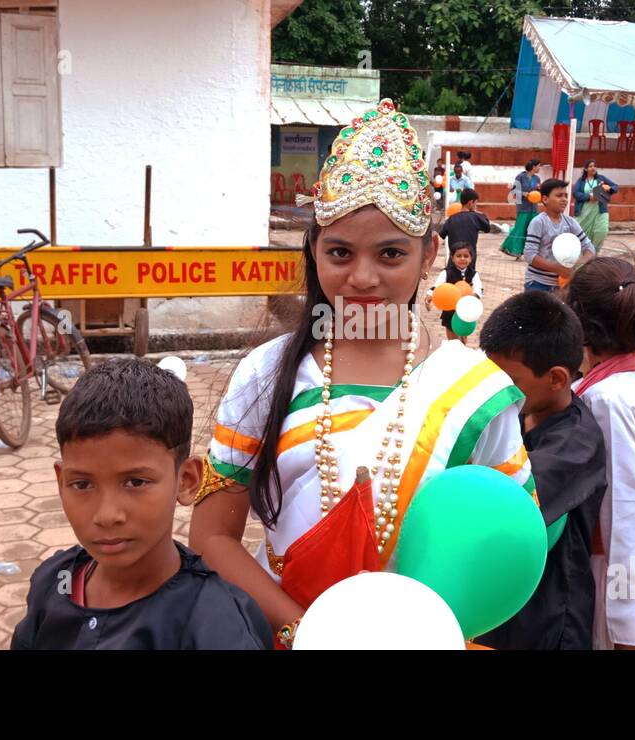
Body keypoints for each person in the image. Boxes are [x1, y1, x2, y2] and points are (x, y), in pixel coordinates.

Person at [189, 99, 532, 648]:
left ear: (429, 255)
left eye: (391, 254)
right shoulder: (267, 372)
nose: (362, 277)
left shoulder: (475, 389)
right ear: (315, 252)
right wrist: (312, 633)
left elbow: (501, 541)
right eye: (340, 252)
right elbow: (211, 538)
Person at [11, 359, 271, 650]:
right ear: (61, 483)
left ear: (186, 480)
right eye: (82, 484)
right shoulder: (54, 582)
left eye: (135, 482)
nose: (107, 515)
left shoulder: (217, 625)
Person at [475, 292, 608, 649]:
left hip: (549, 620)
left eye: (509, 380)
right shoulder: (516, 412)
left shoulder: (577, 443)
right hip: (503, 608)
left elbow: (503, 503)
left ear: (556, 379)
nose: (496, 391)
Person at [563, 257, 635, 649]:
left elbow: (628, 509)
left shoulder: (609, 399)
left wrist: (626, 621)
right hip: (608, 565)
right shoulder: (616, 384)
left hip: (607, 572)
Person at [523, 178, 595, 293]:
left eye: (566, 196)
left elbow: (590, 248)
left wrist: (577, 265)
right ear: (545, 199)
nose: (564, 199)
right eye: (559, 196)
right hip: (537, 283)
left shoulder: (571, 223)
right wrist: (557, 269)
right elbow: (529, 255)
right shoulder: (539, 222)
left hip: (563, 285)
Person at [425, 242, 482, 342]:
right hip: (450, 310)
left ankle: (463, 349)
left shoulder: (474, 274)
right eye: (458, 256)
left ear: (471, 258)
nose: (462, 259)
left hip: (466, 311)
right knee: (453, 340)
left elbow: (478, 289)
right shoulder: (446, 273)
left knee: (463, 339)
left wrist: (473, 296)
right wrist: (430, 295)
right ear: (452, 258)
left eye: (466, 256)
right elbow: (437, 287)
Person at [439, 188, 491, 271]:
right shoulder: (476, 218)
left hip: (454, 260)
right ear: (471, 202)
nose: (475, 206)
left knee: (452, 281)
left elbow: (441, 235)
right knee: (467, 281)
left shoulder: (451, 219)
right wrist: (476, 212)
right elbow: (487, 228)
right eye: (475, 203)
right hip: (469, 260)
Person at [572, 159, 619, 250]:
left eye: (594, 166)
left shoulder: (601, 178)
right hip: (584, 211)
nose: (593, 168)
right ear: (586, 169)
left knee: (602, 231)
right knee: (580, 232)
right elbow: (576, 193)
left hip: (600, 210)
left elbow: (615, 187)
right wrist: (589, 197)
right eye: (590, 166)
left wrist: (609, 188)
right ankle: (583, 252)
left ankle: (594, 251)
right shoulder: (581, 181)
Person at [501, 159, 542, 259]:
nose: (539, 168)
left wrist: (539, 188)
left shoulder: (537, 178)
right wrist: (524, 194)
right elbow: (514, 191)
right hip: (523, 207)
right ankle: (516, 251)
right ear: (533, 167)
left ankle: (526, 250)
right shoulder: (520, 177)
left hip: (534, 207)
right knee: (520, 228)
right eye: (539, 166)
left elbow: (538, 192)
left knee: (531, 229)